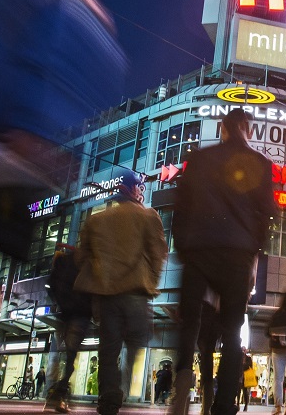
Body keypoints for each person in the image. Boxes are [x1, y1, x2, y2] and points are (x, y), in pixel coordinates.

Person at [171, 108, 279, 415]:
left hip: (199, 251)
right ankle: (222, 405)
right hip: (237, 254)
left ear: (223, 128)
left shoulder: (201, 159)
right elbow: (267, 214)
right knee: (232, 330)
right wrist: (253, 254)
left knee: (190, 323)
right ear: (248, 128)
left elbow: (181, 207)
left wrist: (183, 247)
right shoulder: (260, 163)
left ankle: (179, 396)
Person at [73, 168, 167, 415]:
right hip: (136, 291)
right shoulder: (148, 216)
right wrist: (152, 280)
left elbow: (82, 256)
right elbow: (159, 253)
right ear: (134, 190)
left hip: (106, 293)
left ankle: (109, 397)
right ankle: (121, 388)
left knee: (108, 348)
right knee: (136, 343)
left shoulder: (97, 220)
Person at [45, 245, 92, 413]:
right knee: (70, 357)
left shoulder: (64, 262)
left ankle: (56, 393)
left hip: (65, 314)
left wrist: (60, 302)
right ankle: (60, 393)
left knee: (62, 355)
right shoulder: (88, 264)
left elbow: (50, 284)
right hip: (80, 315)